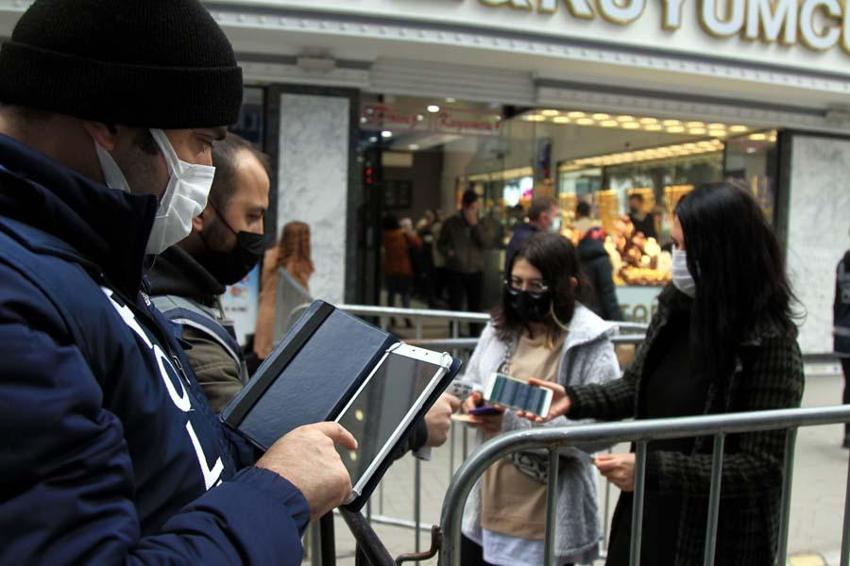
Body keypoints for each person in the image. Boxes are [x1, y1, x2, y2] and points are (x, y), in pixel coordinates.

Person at [0, 1, 356, 562]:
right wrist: (279, 492)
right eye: (199, 141)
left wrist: (270, 452)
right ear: (109, 122)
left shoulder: (92, 259)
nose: (207, 169)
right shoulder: (18, 297)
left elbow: (170, 455)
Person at [523, 182, 805, 565]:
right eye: (675, 245)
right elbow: (635, 386)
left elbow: (763, 465)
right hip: (647, 518)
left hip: (715, 537)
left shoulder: (769, 343)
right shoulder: (675, 312)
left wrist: (654, 470)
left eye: (686, 247)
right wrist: (573, 398)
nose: (677, 258)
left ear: (723, 251)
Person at [460, 232, 620, 566]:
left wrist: (510, 423)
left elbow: (600, 429)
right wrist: (472, 401)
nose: (523, 293)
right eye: (516, 282)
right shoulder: (500, 328)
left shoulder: (589, 341)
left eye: (536, 285)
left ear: (567, 285)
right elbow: (471, 382)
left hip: (546, 519)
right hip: (487, 510)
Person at [149, 133, 269, 412]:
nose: (260, 231)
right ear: (199, 211)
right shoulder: (185, 328)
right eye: (252, 216)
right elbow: (243, 435)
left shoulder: (190, 292)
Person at [254, 220, 315, 362]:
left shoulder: (270, 255)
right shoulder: (300, 265)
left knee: (264, 362)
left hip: (266, 314)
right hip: (286, 319)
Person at [439, 190, 488, 334]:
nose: (474, 211)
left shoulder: (481, 222)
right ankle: (454, 334)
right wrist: (449, 253)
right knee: (455, 305)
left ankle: (475, 336)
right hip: (456, 269)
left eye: (476, 207)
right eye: (471, 207)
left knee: (475, 307)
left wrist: (475, 225)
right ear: (465, 206)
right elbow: (441, 243)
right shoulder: (451, 222)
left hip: (476, 270)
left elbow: (485, 242)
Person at [383, 214, 422, 328]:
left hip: (390, 268)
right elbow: (417, 243)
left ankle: (391, 317)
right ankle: (407, 318)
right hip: (404, 268)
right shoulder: (402, 235)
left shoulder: (384, 236)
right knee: (405, 294)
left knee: (391, 295)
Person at [578, 226, 623, 321]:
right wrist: (618, 319)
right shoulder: (602, 260)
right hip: (600, 316)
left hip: (581, 313)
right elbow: (608, 293)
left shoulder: (577, 256)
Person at [505, 196, 559, 272]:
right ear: (544, 217)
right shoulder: (533, 240)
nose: (555, 220)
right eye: (555, 216)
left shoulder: (522, 232)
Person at [835, 230, 850, 447]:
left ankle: (848, 433)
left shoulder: (842, 264)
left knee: (849, 383)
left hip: (843, 334)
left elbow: (836, 301)